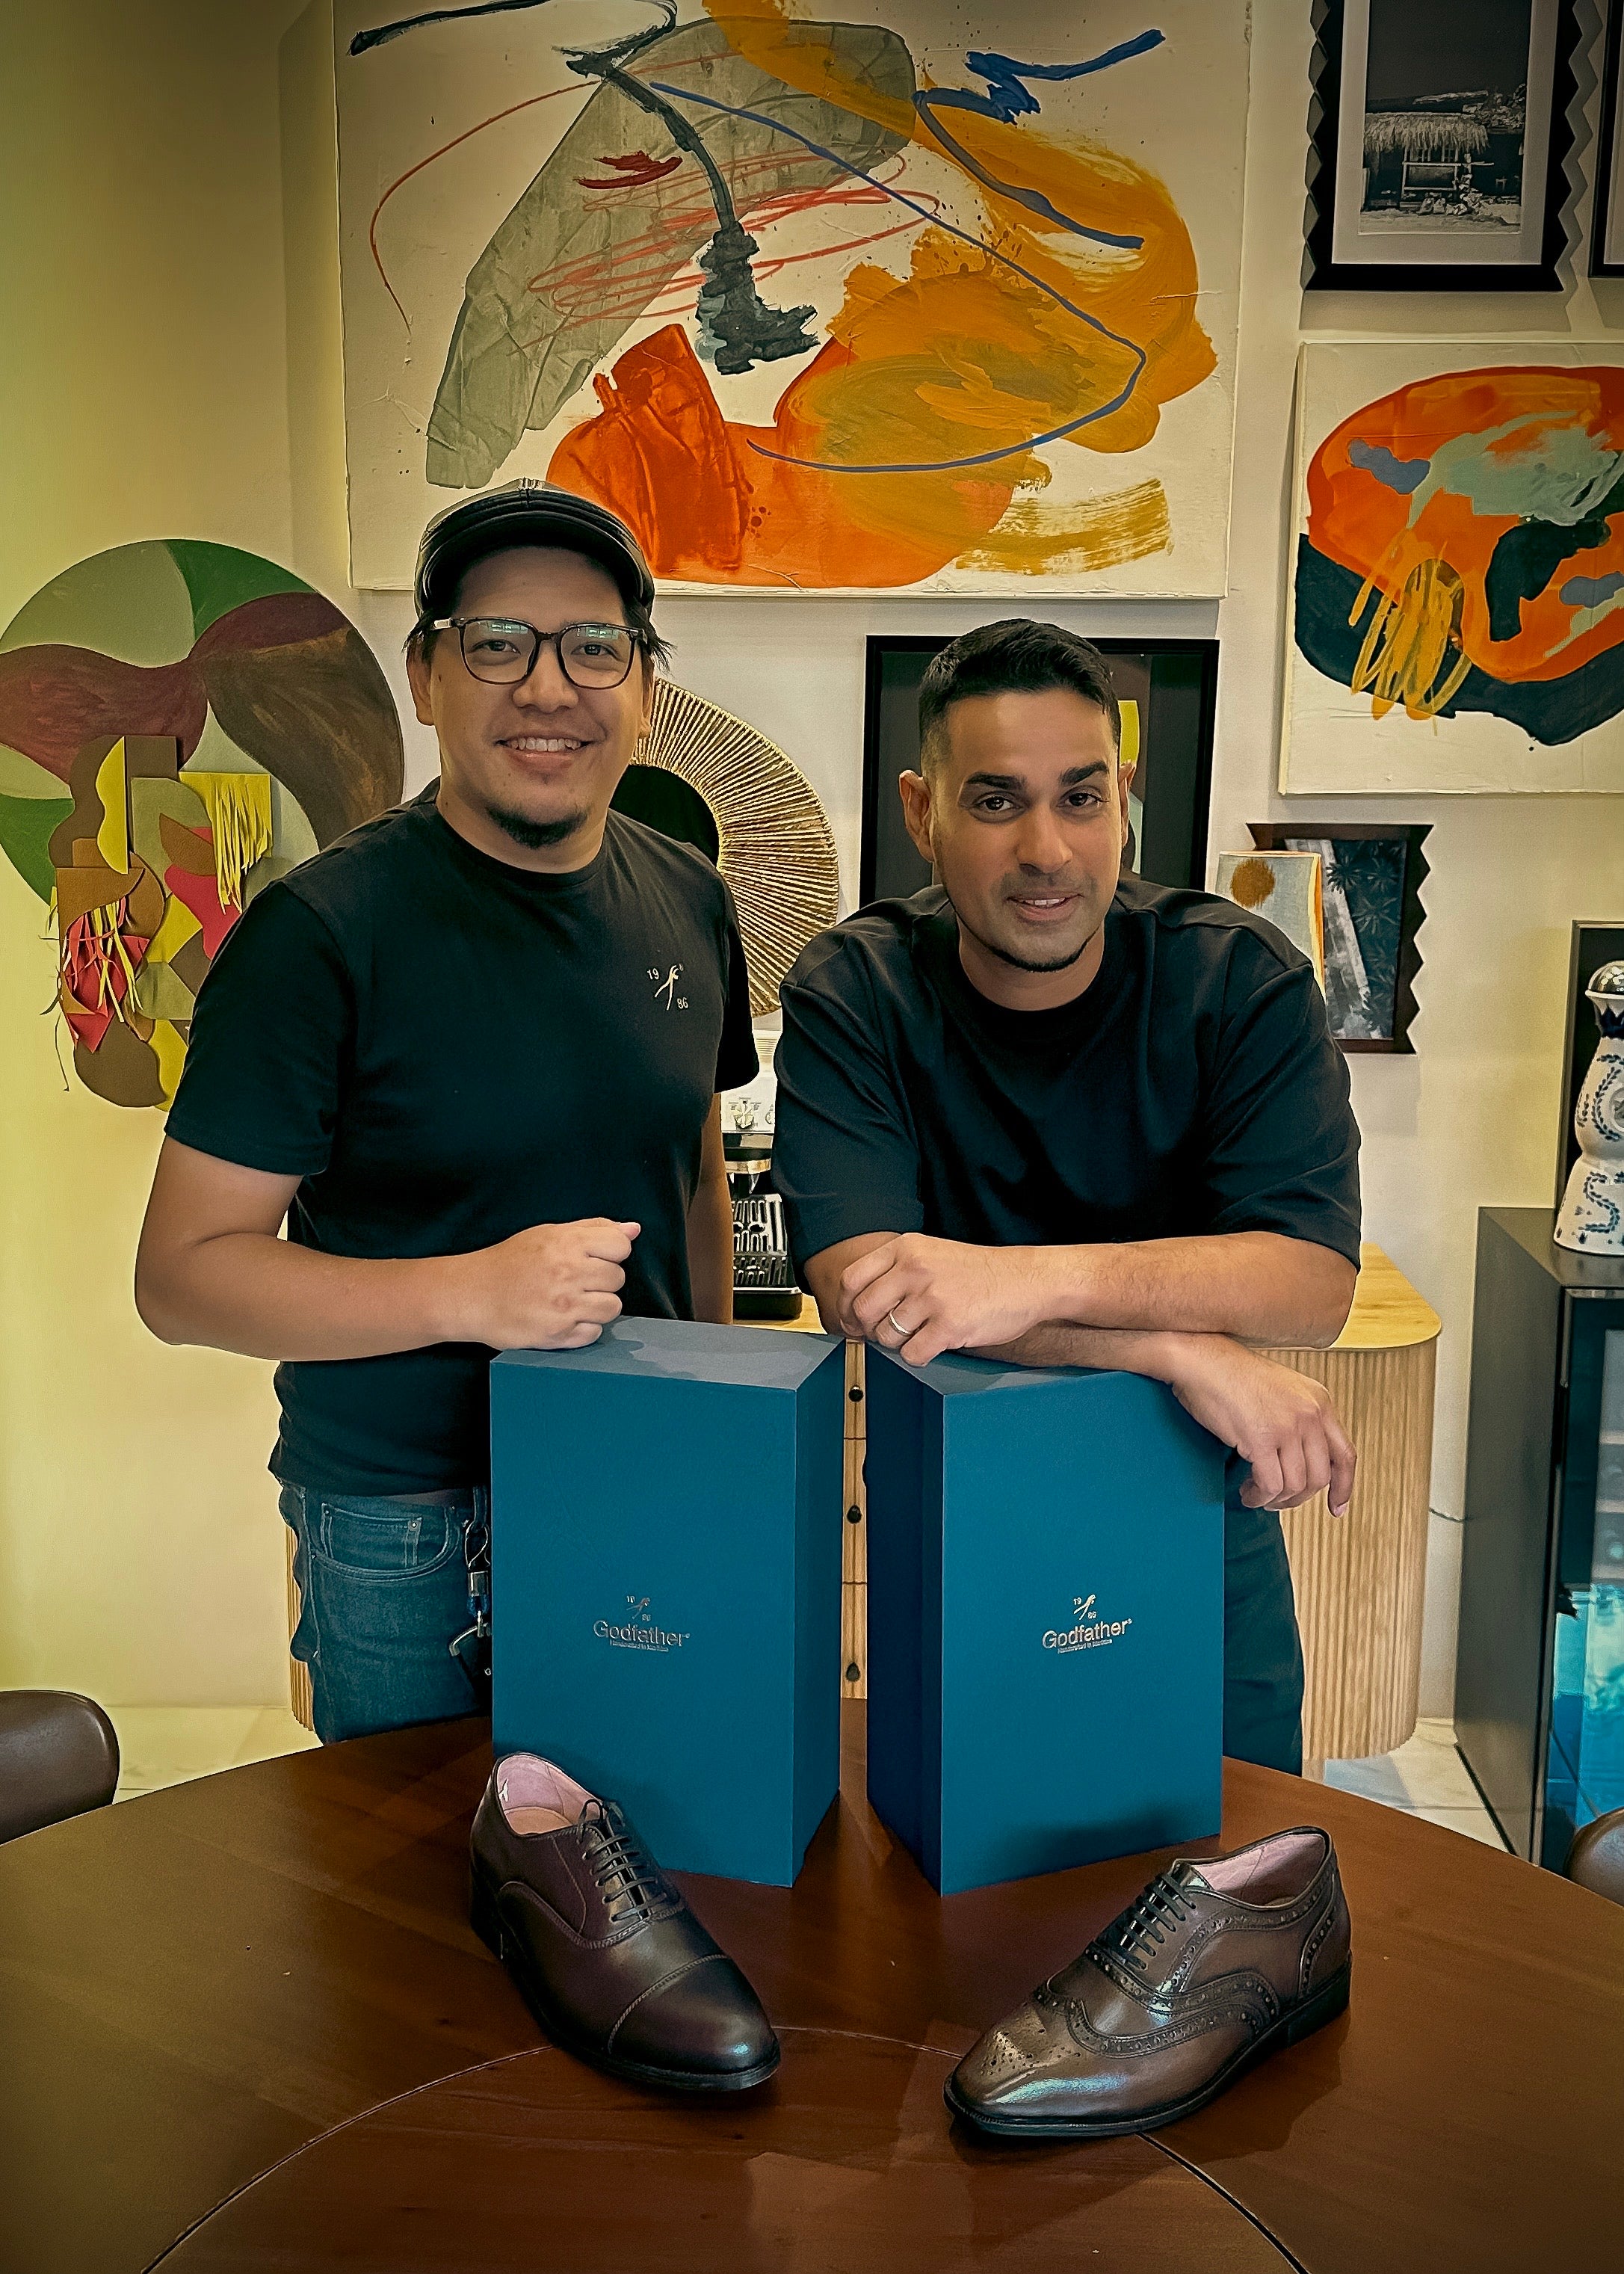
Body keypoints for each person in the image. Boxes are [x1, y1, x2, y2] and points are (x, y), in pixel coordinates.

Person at [135, 482, 756, 1743]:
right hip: (408, 1526)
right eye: (496, 643)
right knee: (409, 1861)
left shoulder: (690, 896)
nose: (547, 686)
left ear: (644, 686)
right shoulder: (320, 934)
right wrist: (473, 1292)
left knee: (647, 1828)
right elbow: (182, 1277)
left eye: (594, 647)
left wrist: (722, 1398)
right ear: (425, 676)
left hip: (633, 1471)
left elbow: (692, 1159)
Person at [771, 620, 1360, 1773]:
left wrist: (1016, 1280)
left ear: (1123, 799)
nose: (1045, 849)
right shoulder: (856, 989)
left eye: (1080, 797)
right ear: (920, 812)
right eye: (994, 801)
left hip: (1197, 1512)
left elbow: (1309, 1284)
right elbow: (863, 1289)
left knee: (1229, 1854)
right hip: (956, 1511)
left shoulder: (1236, 980)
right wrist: (1177, 1351)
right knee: (957, 1865)